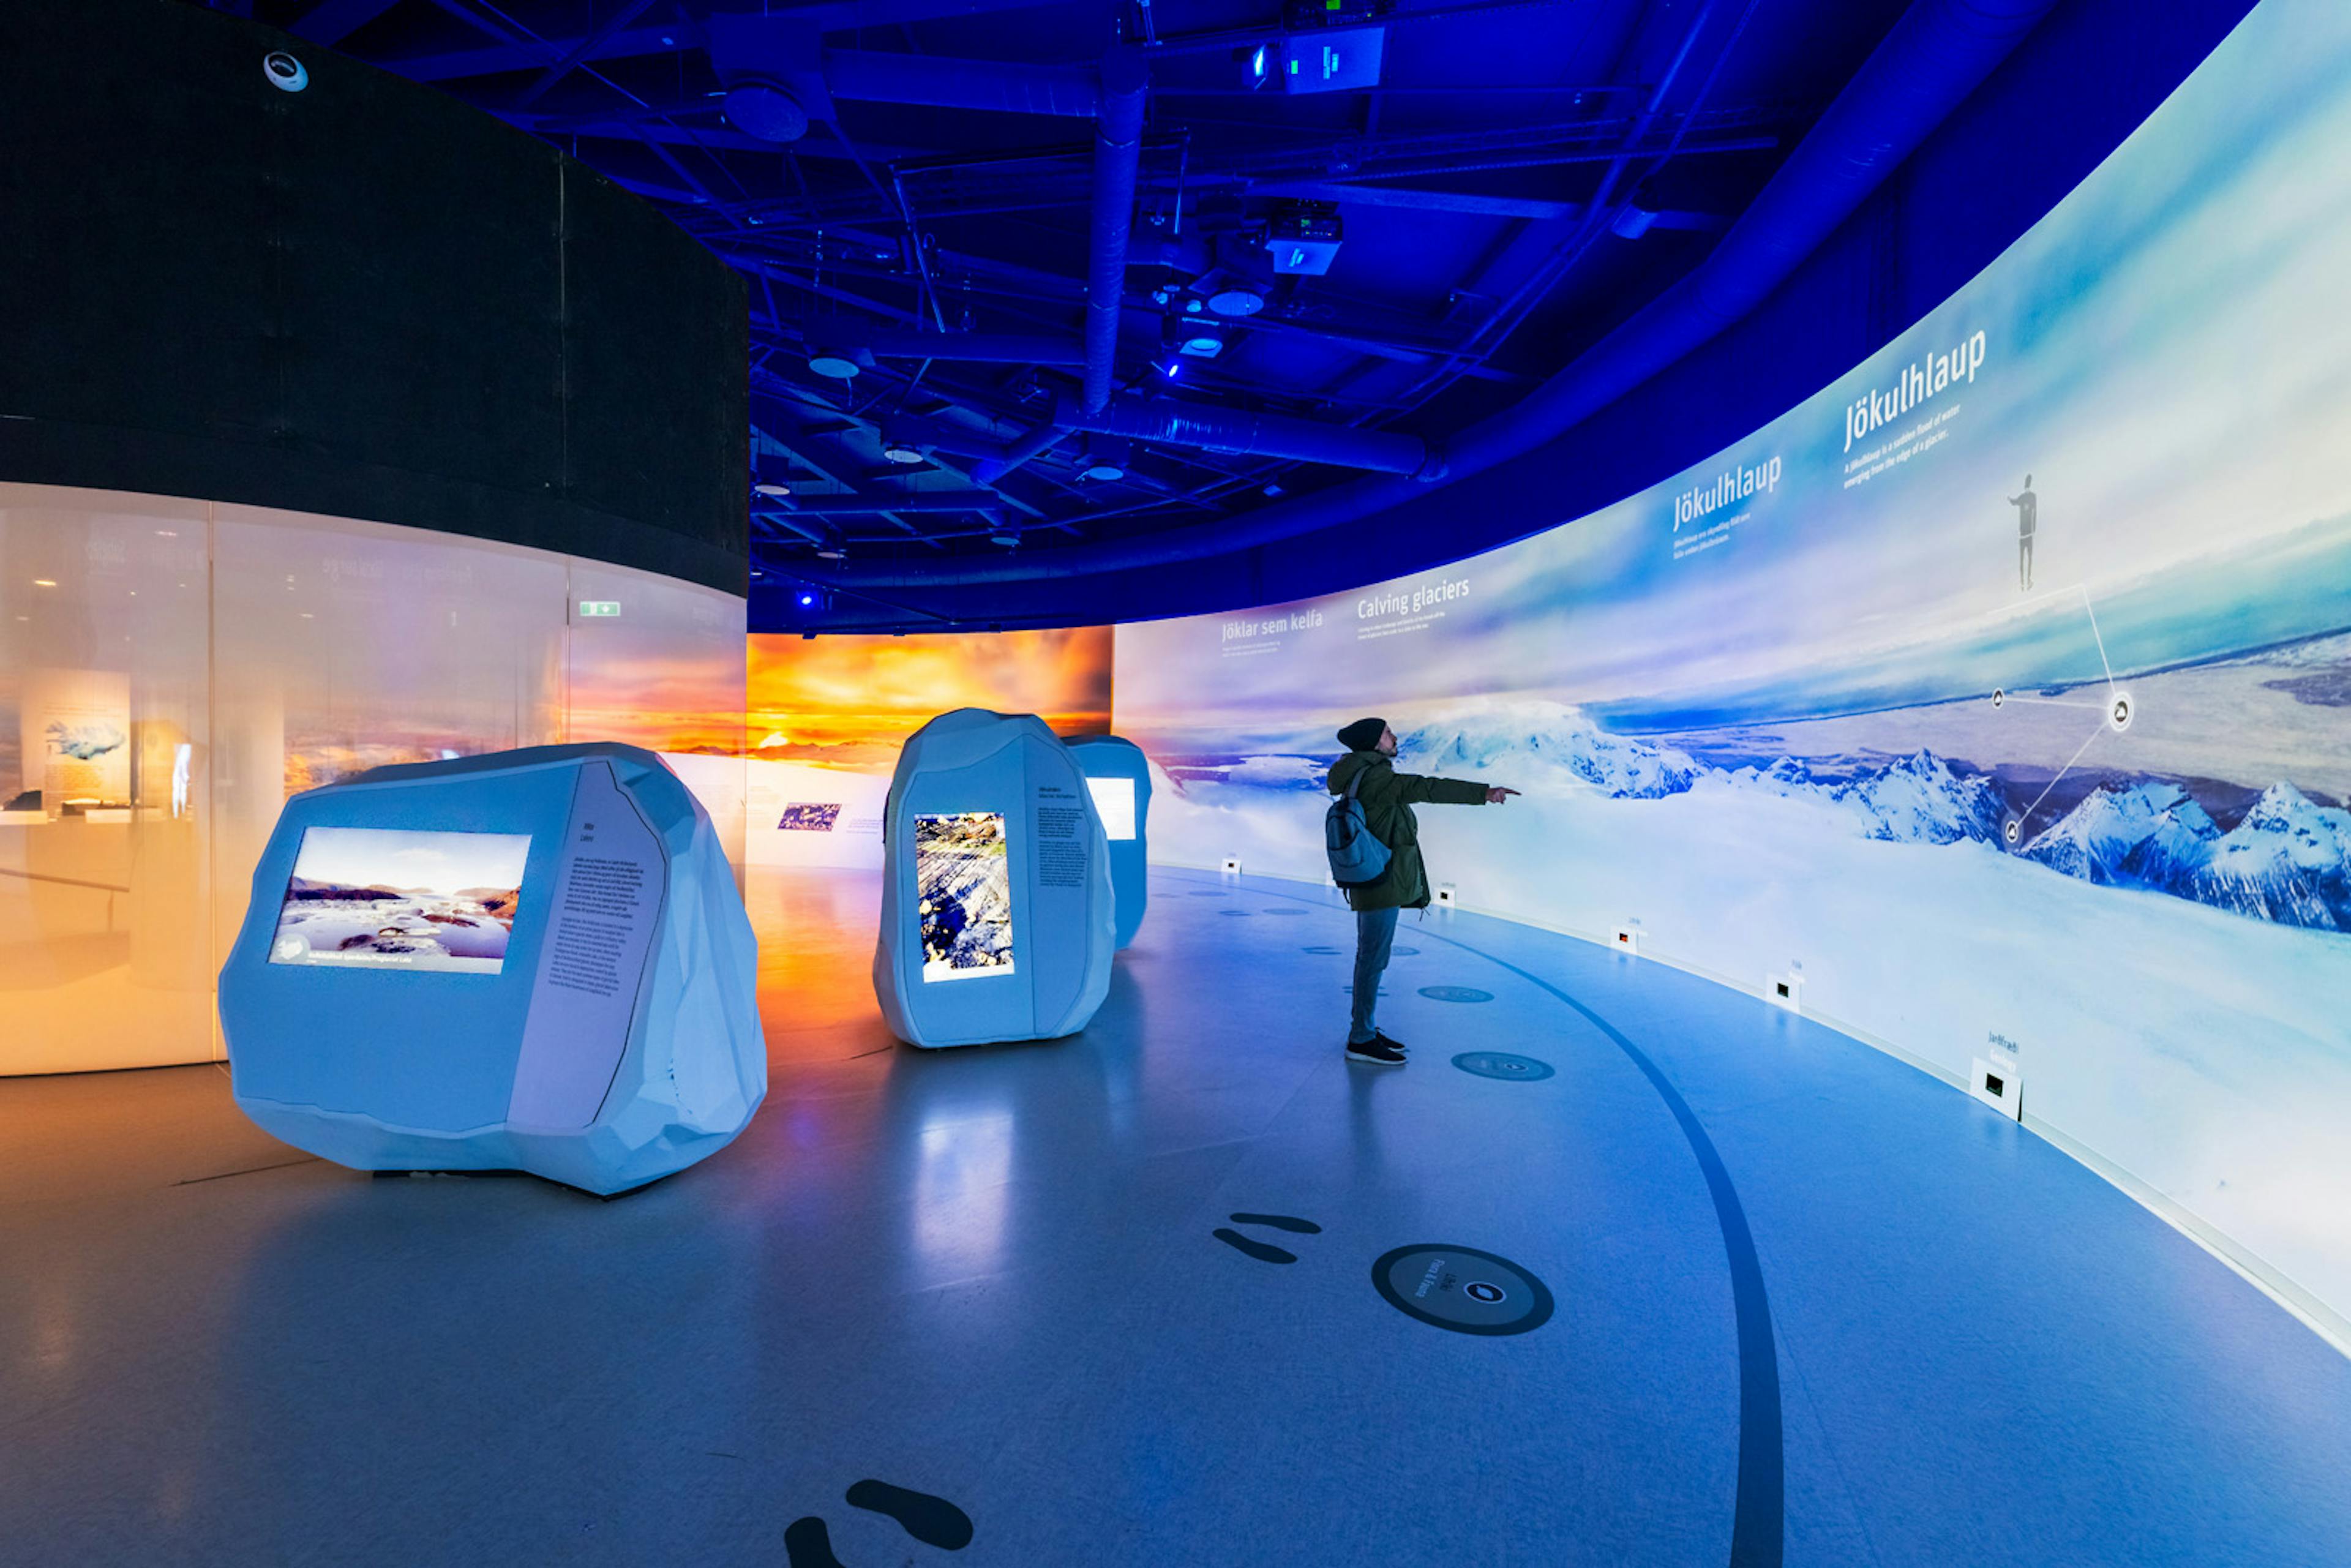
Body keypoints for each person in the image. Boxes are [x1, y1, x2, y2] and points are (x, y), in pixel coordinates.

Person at [1326, 717, 1517, 1066]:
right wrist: (1483, 793)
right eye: (1386, 733)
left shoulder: (1360, 774)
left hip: (1375, 875)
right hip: (1379, 880)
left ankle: (1365, 1027)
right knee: (1372, 958)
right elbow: (1427, 788)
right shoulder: (1377, 778)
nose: (1394, 737)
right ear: (1373, 743)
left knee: (1371, 956)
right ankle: (1361, 1039)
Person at [2008, 475, 2037, 590]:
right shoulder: (2032, 497)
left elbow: (2014, 502)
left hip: (2024, 534)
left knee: (2023, 559)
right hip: (2028, 533)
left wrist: (2009, 498)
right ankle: (2027, 580)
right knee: (2028, 558)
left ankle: (2023, 582)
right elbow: (2035, 512)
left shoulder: (2024, 497)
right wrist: (2034, 529)